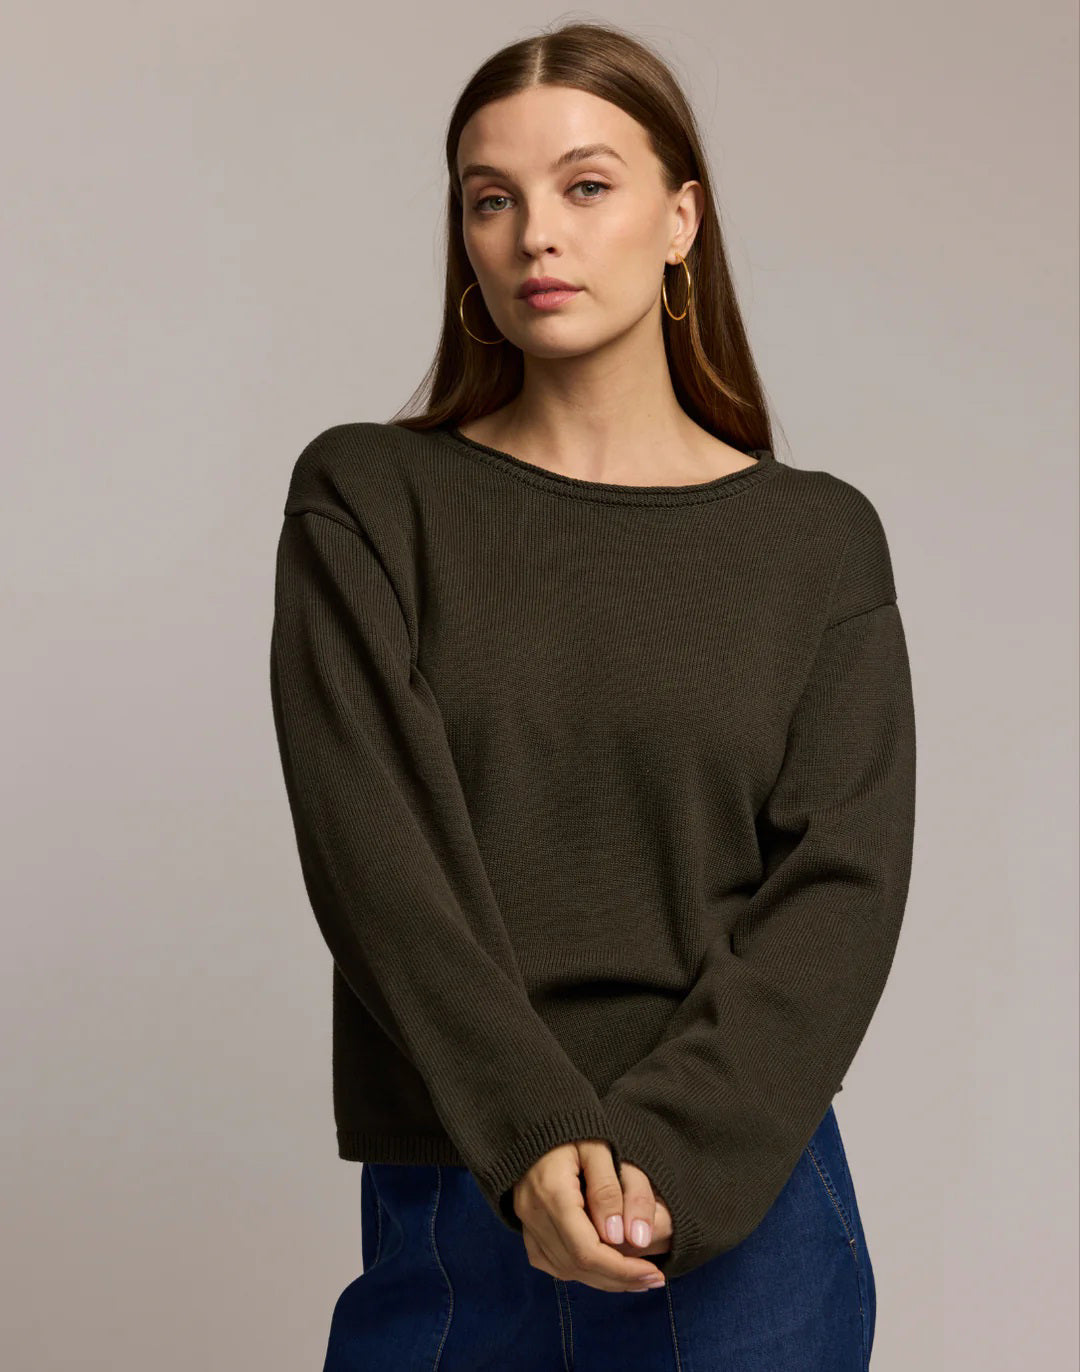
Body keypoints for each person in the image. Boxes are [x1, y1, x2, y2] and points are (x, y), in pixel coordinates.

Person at [268, 19, 916, 1371]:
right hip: (460, 1194)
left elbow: (839, 884)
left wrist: (663, 1159)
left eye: (585, 186)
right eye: (489, 199)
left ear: (681, 220)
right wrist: (532, 1138)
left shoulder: (816, 542)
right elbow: (375, 855)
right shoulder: (373, 499)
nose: (530, 236)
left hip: (741, 1211)